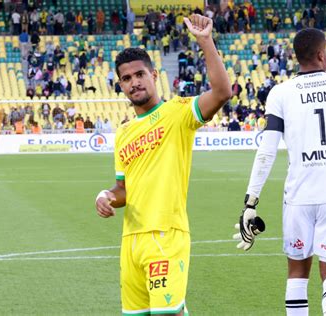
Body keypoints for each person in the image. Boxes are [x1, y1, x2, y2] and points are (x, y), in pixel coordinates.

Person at [95, 14, 231, 315]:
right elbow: (123, 189)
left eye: (140, 75)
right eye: (127, 79)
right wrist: (105, 196)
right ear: (120, 85)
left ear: (154, 76)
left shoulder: (176, 113)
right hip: (130, 242)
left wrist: (205, 41)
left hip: (165, 234)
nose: (134, 83)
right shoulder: (124, 133)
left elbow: (222, 92)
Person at [233, 28, 326, 316]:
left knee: (297, 272)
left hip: (298, 196)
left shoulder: (280, 92)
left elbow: (267, 150)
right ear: (321, 54)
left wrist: (251, 201)